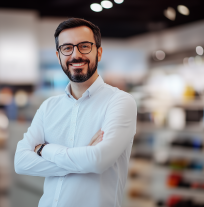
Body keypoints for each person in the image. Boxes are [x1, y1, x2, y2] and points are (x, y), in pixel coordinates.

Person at [14, 18, 137, 207]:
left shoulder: (120, 102)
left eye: (84, 46)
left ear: (99, 52)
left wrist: (44, 149)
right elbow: (21, 162)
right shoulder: (49, 107)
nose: (76, 55)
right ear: (58, 56)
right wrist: (82, 158)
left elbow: (97, 161)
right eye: (67, 48)